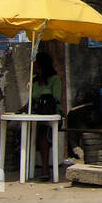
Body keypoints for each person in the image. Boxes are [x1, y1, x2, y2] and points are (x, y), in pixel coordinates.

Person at [30, 50, 62, 179]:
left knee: (43, 133)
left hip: (53, 115)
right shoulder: (34, 81)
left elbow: (56, 98)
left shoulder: (55, 80)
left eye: (36, 64)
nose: (33, 66)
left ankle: (45, 168)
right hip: (37, 114)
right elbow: (31, 99)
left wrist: (45, 98)